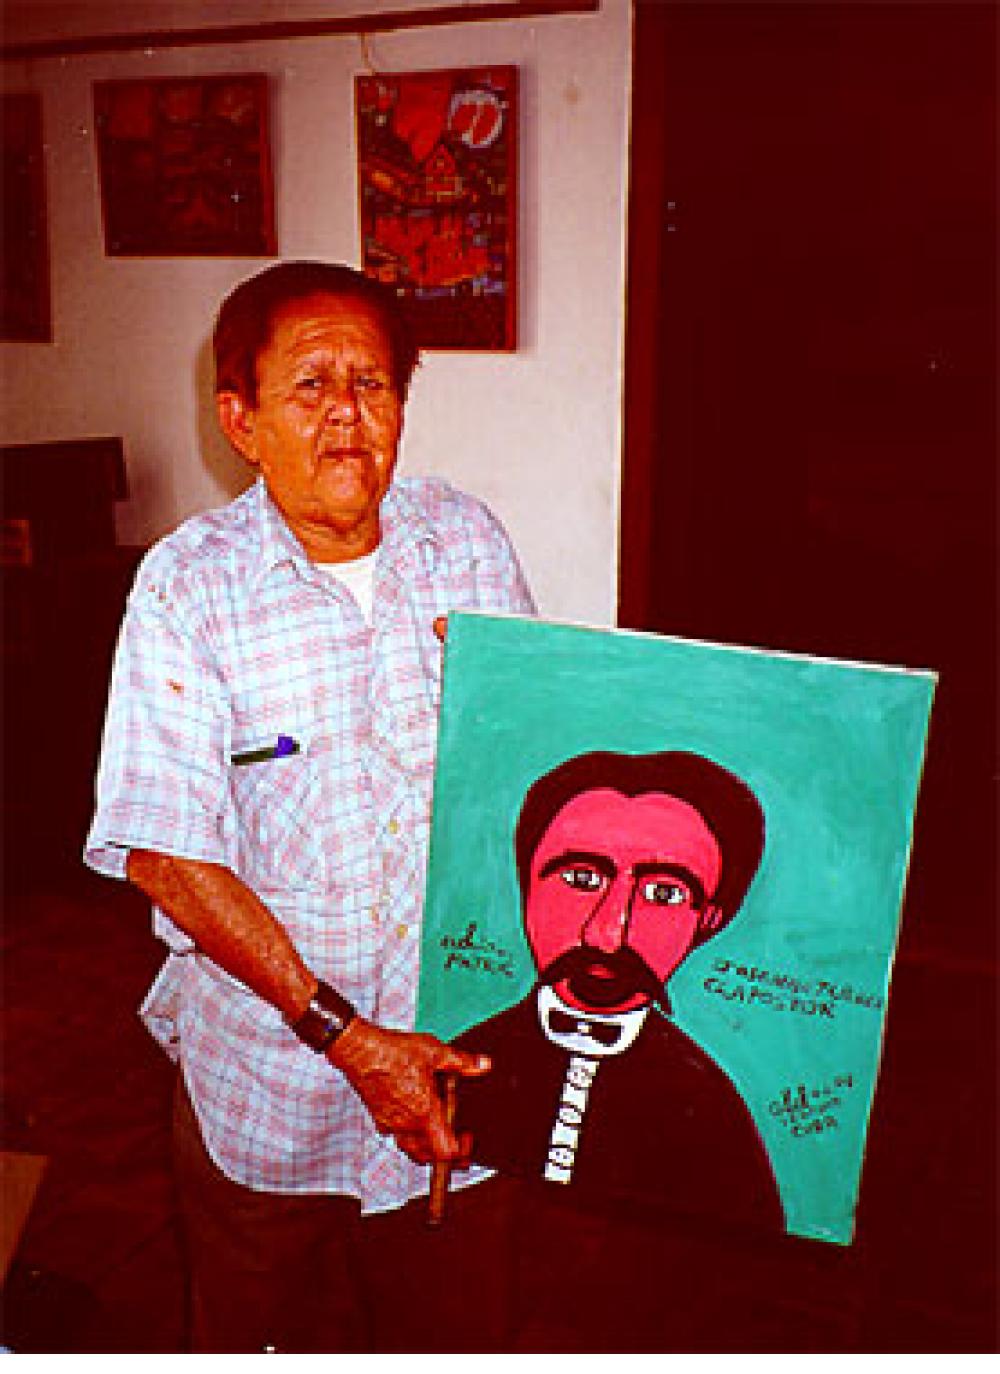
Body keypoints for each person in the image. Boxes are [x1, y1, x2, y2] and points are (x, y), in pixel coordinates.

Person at [83, 260, 536, 1353]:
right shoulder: (190, 588)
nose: (347, 413)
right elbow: (168, 860)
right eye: (311, 386)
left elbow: (535, 766)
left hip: (445, 1058)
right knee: (257, 1333)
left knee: (455, 1330)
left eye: (373, 385)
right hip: (271, 1073)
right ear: (240, 422)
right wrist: (346, 1037)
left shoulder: (462, 540)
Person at [453, 749, 784, 1232]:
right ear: (527, 885)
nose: (607, 933)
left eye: (665, 894)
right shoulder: (459, 1064)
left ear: (710, 921)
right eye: (581, 879)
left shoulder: (711, 1117)